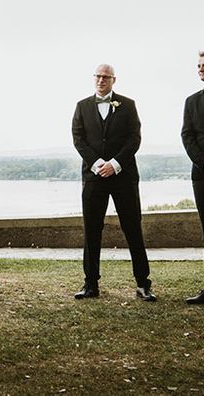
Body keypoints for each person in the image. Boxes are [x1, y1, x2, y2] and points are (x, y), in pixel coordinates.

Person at [71, 63, 156, 302]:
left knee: (133, 229)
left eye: (106, 77)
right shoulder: (82, 106)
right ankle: (90, 284)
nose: (101, 80)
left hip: (124, 177)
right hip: (93, 177)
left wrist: (115, 164)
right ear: (93, 78)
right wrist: (98, 164)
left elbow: (134, 138)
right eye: (98, 76)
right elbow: (78, 139)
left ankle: (143, 284)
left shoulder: (128, 105)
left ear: (113, 80)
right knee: (91, 230)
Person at [181, 51, 204, 304]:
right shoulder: (191, 101)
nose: (200, 69)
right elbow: (187, 135)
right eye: (198, 65)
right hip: (201, 176)